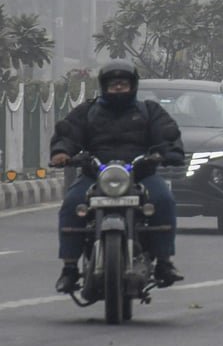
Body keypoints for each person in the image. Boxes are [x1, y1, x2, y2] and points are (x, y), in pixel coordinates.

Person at [49, 60, 186, 293]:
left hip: (140, 174)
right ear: (105, 86)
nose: (119, 88)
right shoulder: (88, 112)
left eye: (123, 83)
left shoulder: (149, 111)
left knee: (163, 200)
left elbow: (166, 134)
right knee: (72, 203)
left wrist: (169, 152)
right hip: (96, 175)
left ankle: (164, 263)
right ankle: (69, 268)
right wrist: (62, 152)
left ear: (132, 85)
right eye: (114, 84)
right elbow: (69, 134)